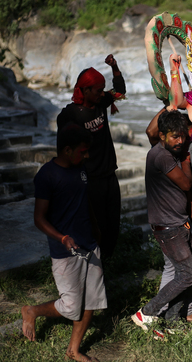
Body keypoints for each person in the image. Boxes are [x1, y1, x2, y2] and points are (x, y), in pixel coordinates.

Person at [21, 124, 106, 362]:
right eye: (83, 151)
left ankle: (74, 350)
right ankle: (32, 311)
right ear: (67, 150)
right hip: (65, 251)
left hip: (89, 244)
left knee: (91, 302)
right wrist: (62, 237)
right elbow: (39, 218)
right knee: (71, 306)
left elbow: (84, 200)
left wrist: (96, 228)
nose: (86, 155)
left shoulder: (81, 169)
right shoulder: (47, 175)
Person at [131, 110, 192, 337]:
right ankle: (146, 312)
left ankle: (170, 324)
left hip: (176, 224)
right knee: (187, 275)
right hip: (169, 228)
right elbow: (184, 184)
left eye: (183, 136)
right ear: (162, 135)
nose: (180, 141)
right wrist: (186, 159)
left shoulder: (166, 151)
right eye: (175, 137)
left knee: (184, 274)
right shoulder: (162, 156)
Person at [56, 54, 126, 262]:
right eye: (97, 90)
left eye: (102, 90)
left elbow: (120, 91)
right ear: (85, 90)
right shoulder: (70, 115)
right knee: (97, 225)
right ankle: (94, 265)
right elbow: (63, 149)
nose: (101, 94)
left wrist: (115, 67)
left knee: (113, 223)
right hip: (90, 179)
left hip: (109, 175)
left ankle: (108, 263)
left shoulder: (101, 103)